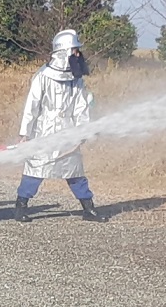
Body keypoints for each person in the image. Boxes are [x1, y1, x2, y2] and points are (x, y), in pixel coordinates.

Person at [14, 29, 104, 222]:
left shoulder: (76, 77)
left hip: (68, 131)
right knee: (36, 169)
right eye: (74, 50)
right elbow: (32, 106)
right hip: (44, 131)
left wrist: (83, 129)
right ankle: (21, 206)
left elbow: (81, 105)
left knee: (74, 171)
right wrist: (25, 134)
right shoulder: (43, 76)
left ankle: (89, 209)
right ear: (63, 52)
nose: (78, 55)